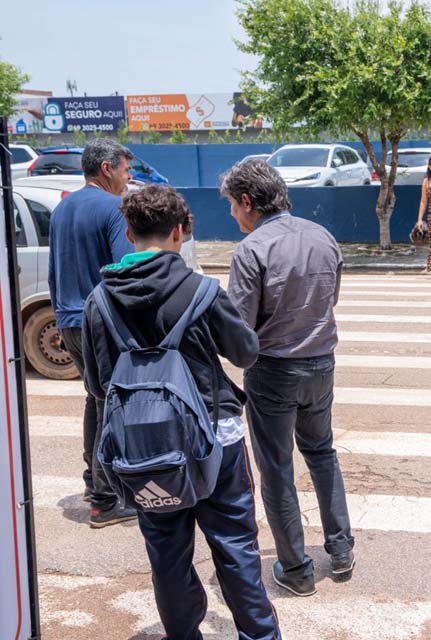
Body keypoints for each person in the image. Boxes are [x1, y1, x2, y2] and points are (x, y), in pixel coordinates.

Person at [81, 184, 281, 640]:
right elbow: (245, 353)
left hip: (143, 453)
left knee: (167, 557)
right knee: (235, 549)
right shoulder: (201, 290)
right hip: (214, 440)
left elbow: (97, 386)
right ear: (178, 233)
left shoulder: (99, 300)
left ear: (129, 235)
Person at [223, 159, 355, 597]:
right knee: (322, 453)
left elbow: (239, 326)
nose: (231, 215)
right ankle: (340, 550)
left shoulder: (251, 250)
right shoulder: (322, 236)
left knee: (277, 468)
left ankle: (296, 568)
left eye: (232, 206)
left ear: (247, 201)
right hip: (321, 364)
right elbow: (330, 299)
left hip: (274, 371)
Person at [49, 138, 137, 528]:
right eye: (125, 170)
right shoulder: (113, 208)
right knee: (109, 403)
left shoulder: (63, 207)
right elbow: (124, 269)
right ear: (106, 169)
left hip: (68, 320)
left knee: (96, 398)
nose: (128, 178)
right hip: (100, 321)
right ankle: (104, 498)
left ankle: (93, 481)